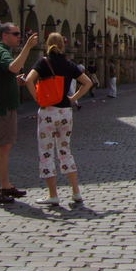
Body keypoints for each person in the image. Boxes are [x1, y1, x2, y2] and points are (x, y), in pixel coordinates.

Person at [25, 33, 93, 206]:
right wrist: (73, 97)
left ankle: (53, 195)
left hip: (47, 111)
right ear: (63, 45)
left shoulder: (43, 62)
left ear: (47, 45)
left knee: (46, 153)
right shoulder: (69, 64)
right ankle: (76, 192)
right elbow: (88, 82)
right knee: (65, 150)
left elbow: (28, 80)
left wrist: (37, 98)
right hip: (65, 112)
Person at [0, 23, 38, 205]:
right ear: (5, 35)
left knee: (5, 147)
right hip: (1, 107)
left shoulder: (1, 52)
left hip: (5, 106)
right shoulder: (1, 52)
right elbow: (14, 67)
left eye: (19, 34)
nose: (18, 37)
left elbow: (8, 73)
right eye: (15, 34)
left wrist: (14, 81)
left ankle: (5, 185)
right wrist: (27, 48)